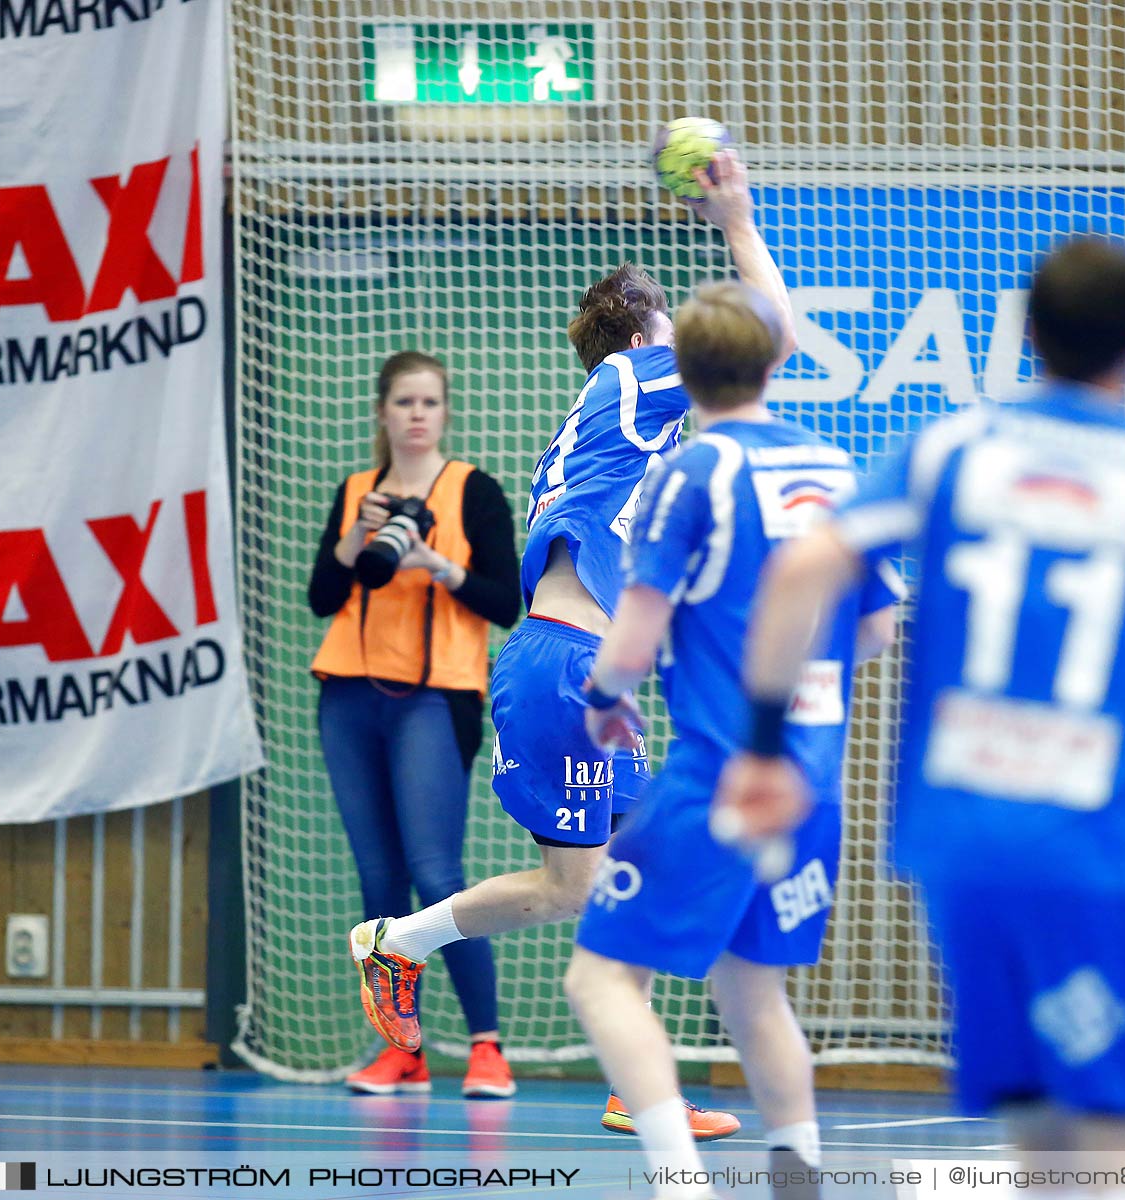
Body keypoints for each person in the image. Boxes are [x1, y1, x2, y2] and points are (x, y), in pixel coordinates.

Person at [719, 239, 1125, 1186]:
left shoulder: (953, 449)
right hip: (1088, 845)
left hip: (959, 842)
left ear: (1026, 331)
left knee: (1041, 1135)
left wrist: (762, 749)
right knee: (1121, 1143)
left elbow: (804, 569)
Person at [349, 148, 793, 1139]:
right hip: (564, 665)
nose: (688, 335)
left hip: (584, 666)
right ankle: (399, 946)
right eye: (674, 322)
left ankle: (631, 1082)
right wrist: (736, 218)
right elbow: (773, 334)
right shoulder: (638, 381)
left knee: (614, 870)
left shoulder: (620, 417)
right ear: (644, 334)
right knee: (578, 887)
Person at [562, 280, 898, 1200]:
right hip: (813, 781)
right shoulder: (833, 469)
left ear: (685, 373)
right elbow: (875, 629)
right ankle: (800, 1179)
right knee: (754, 993)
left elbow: (631, 631)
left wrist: (604, 697)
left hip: (719, 772)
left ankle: (681, 1184)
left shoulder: (690, 473)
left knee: (599, 981)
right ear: (767, 360)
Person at [308, 350, 522, 1098]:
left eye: (430, 401)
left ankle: (487, 1047)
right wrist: (355, 539)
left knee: (436, 874)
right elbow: (322, 594)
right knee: (378, 878)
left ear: (445, 412)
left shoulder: (473, 490)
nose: (418, 414)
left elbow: (506, 602)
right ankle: (403, 1051)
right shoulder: (356, 492)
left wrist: (431, 558)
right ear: (383, 413)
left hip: (435, 697)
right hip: (348, 694)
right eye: (404, 402)